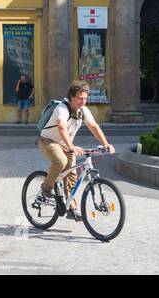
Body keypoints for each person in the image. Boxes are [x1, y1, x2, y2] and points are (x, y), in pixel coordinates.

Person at [38, 80, 113, 218]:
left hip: (66, 144)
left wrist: (106, 143)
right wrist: (71, 146)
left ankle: (71, 208)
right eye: (80, 98)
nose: (83, 101)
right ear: (72, 97)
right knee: (60, 161)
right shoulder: (62, 108)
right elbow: (61, 126)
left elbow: (94, 126)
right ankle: (46, 188)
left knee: (71, 175)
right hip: (48, 141)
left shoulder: (83, 111)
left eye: (85, 98)